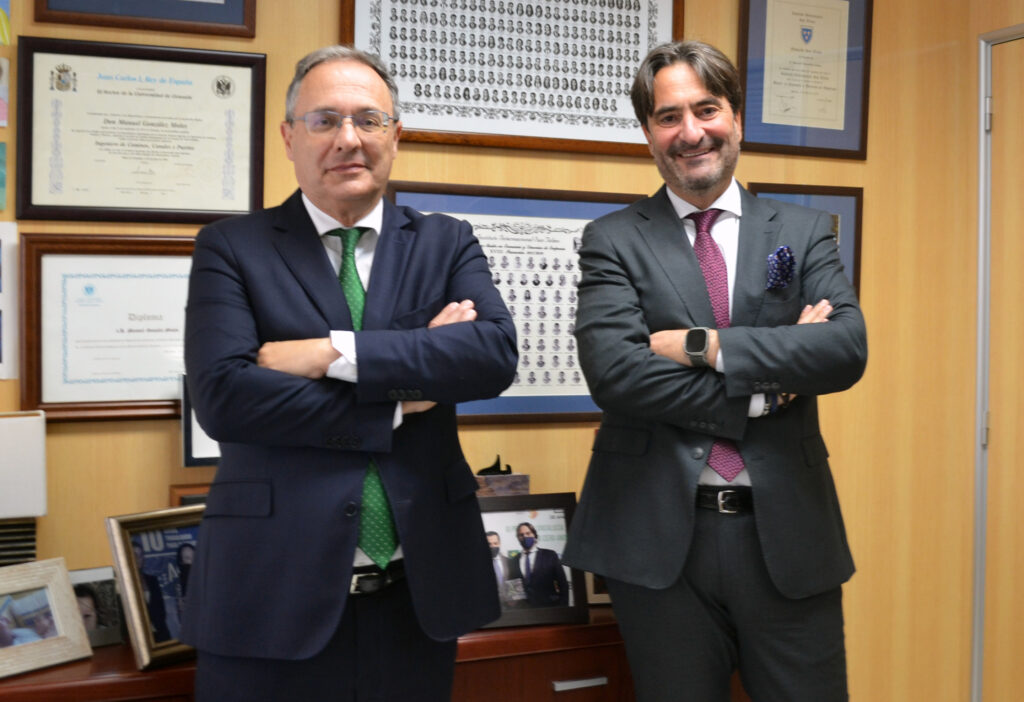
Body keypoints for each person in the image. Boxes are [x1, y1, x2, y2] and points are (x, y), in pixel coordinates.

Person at [182, 45, 517, 701]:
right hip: (269, 594)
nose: (348, 139)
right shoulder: (232, 247)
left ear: (396, 135)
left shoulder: (445, 241)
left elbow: (491, 356)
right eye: (324, 120)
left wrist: (327, 354)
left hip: (417, 598)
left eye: (368, 119)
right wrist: (400, 397)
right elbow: (226, 399)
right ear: (289, 137)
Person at [561, 40, 867, 702]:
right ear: (648, 132)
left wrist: (704, 346)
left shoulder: (803, 231)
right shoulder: (613, 239)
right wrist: (766, 390)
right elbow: (616, 374)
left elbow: (844, 349)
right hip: (657, 540)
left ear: (736, 117)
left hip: (789, 535)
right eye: (669, 116)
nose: (691, 132)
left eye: (706, 109)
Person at [514, 522, 569, 607]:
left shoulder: (550, 555)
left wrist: (564, 607)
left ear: (534, 535)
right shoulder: (514, 560)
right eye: (521, 535)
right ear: (518, 538)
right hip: (524, 610)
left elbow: (563, 584)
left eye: (528, 533)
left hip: (549, 608)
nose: (525, 537)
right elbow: (513, 591)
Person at [133, 540, 171, 643]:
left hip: (161, 633)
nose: (139, 558)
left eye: (141, 555)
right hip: (141, 637)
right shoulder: (126, 584)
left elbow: (161, 609)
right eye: (135, 555)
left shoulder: (152, 580)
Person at [486, 531, 522, 608]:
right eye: (489, 544)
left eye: (495, 543)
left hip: (511, 608)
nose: (493, 546)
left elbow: (515, 583)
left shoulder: (509, 561)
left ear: (499, 543)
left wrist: (513, 604)